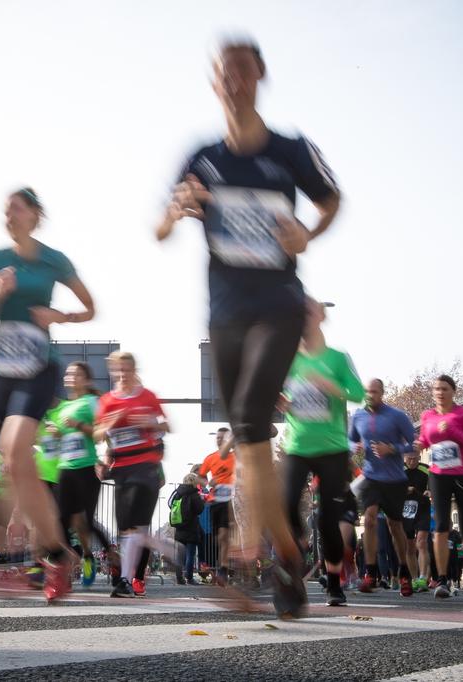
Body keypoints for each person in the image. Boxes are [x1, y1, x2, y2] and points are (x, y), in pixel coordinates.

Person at [155, 37, 340, 619]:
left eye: (243, 70)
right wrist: (176, 209)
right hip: (225, 313)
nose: (233, 80)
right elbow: (161, 228)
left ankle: (257, 556)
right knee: (250, 436)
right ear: (215, 83)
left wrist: (307, 233)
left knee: (254, 422)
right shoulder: (201, 156)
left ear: (260, 76)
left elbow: (332, 201)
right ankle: (288, 555)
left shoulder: (289, 150)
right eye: (223, 72)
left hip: (280, 303)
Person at [0, 187, 95, 601]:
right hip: (4, 372)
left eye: (17, 209)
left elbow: (90, 308)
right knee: (13, 464)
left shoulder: (53, 260)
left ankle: (45, 556)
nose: (9, 216)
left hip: (40, 368)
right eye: (5, 211)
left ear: (35, 215)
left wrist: (59, 316)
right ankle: (54, 555)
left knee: (14, 447)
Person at [279, 299, 364, 607]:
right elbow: (277, 394)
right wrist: (281, 401)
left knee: (329, 519)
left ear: (320, 317)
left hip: (332, 448)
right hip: (297, 446)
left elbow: (358, 393)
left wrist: (328, 384)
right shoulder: (287, 360)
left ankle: (333, 580)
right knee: (286, 503)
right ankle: (300, 543)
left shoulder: (338, 358)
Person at [94, 352, 169, 598]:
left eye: (127, 369)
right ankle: (163, 547)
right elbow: (97, 435)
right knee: (126, 529)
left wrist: (149, 421)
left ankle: (127, 580)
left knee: (136, 527)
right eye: (119, 369)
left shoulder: (147, 397)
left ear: (134, 370)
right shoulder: (107, 400)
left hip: (146, 467)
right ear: (113, 371)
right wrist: (109, 424)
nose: (123, 374)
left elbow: (166, 427)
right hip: (121, 470)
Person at [414, 375, 463, 599]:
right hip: (438, 475)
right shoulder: (428, 416)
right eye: (436, 389)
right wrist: (416, 445)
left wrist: (452, 432)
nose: (439, 392)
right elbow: (425, 440)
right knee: (441, 525)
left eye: (444, 389)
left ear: (453, 391)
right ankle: (442, 580)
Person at [348, 378, 417, 596]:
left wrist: (392, 449)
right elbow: (349, 441)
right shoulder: (358, 416)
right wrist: (354, 446)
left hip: (395, 479)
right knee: (369, 519)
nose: (371, 396)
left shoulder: (397, 416)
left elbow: (414, 444)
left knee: (395, 527)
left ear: (382, 393)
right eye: (368, 392)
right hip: (371, 477)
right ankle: (370, 572)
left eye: (375, 392)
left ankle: (404, 572)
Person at [53, 362, 112, 588]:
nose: (71, 377)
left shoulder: (92, 402)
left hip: (86, 467)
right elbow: (63, 436)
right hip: (65, 467)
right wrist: (58, 433)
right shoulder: (64, 406)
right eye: (68, 373)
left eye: (76, 374)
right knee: (61, 521)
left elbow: (100, 433)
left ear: (86, 380)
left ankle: (89, 556)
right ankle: (69, 562)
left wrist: (79, 425)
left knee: (84, 521)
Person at [197, 427, 236, 584]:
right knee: (218, 538)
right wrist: (208, 482)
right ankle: (224, 565)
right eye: (218, 437)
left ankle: (224, 569)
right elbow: (199, 477)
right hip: (215, 501)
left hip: (231, 500)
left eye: (223, 437)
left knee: (224, 536)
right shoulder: (210, 458)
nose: (219, 440)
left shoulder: (236, 457)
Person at [402, 451, 432, 592]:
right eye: (409, 459)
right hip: (405, 510)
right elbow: (391, 488)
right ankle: (413, 579)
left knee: (422, 542)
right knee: (409, 546)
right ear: (404, 458)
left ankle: (422, 577)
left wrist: (430, 491)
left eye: (415, 459)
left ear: (419, 457)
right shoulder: (398, 470)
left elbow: (433, 485)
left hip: (422, 509)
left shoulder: (426, 469)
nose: (412, 462)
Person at [169, 473, 205, 585]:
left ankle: (179, 578)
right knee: (190, 554)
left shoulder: (177, 492)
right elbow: (200, 509)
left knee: (179, 554)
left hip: (179, 527)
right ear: (194, 482)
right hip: (191, 527)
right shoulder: (194, 494)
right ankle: (189, 577)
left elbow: (170, 504)